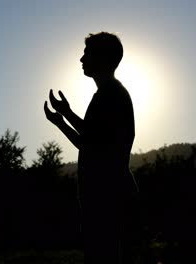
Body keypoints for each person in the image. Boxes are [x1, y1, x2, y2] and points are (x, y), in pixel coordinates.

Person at [44, 32, 139, 264]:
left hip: (108, 197)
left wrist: (65, 115)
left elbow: (91, 138)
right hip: (102, 196)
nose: (81, 59)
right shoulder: (106, 95)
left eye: (87, 53)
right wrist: (62, 119)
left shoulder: (112, 95)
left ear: (103, 58)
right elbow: (88, 143)